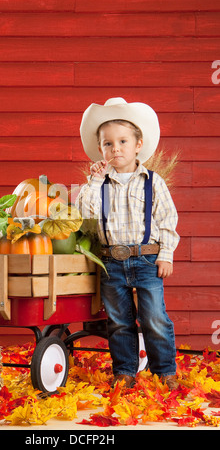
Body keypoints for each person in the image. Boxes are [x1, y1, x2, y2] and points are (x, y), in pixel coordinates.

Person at [76, 98, 180, 390]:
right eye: (108, 144)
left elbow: (167, 220)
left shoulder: (152, 181)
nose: (116, 148)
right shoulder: (99, 183)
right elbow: (86, 215)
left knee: (154, 318)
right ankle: (124, 371)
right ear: (101, 150)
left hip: (147, 260)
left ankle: (165, 372)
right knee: (120, 322)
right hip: (112, 262)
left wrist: (166, 255)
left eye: (122, 141)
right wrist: (94, 182)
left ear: (138, 145)